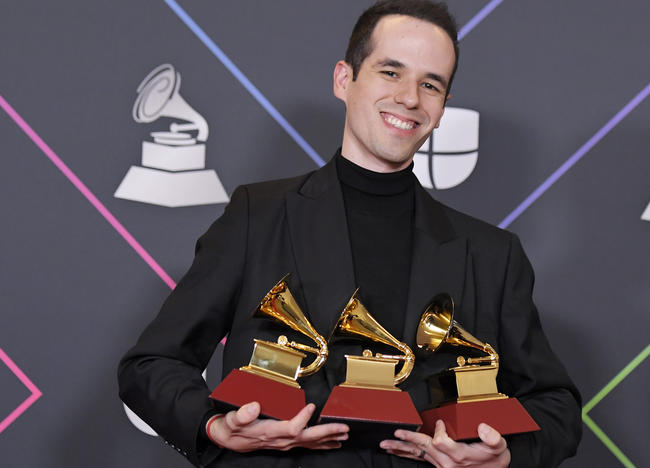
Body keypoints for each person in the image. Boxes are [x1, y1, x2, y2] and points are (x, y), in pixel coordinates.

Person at [118, 1, 582, 467]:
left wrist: (504, 459)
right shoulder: (256, 217)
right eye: (390, 72)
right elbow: (149, 366)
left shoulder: (492, 254)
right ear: (344, 79)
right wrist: (212, 427)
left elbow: (557, 408)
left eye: (430, 84)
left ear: (442, 109)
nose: (409, 98)